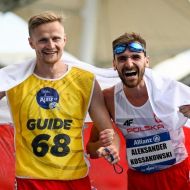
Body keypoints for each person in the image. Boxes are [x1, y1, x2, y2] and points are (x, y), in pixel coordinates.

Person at [0, 11, 120, 190]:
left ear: (65, 40)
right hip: (31, 180)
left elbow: (109, 132)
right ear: (31, 43)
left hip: (76, 179)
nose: (50, 45)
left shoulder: (85, 80)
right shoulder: (12, 80)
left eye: (56, 38)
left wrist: (112, 148)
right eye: (43, 40)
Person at [87, 32, 190, 190]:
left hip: (176, 174)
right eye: (122, 59)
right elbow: (91, 149)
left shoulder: (168, 90)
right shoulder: (108, 98)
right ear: (114, 64)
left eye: (135, 57)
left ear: (146, 62)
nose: (129, 64)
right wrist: (104, 147)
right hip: (139, 180)